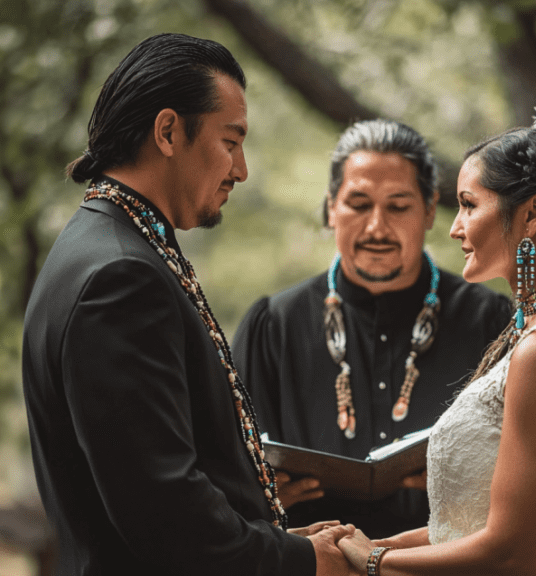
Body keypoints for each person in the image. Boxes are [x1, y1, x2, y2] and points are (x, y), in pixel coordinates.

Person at [21, 33, 357, 576]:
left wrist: (274, 533)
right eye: (231, 141)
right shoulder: (120, 278)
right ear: (169, 131)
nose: (241, 169)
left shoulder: (113, 246)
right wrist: (298, 561)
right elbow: (163, 514)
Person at [335, 54, 536, 576]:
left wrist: (372, 564)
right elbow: (471, 528)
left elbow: (512, 555)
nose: (455, 228)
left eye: (468, 204)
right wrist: (371, 543)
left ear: (532, 213)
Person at [232, 119, 512, 537]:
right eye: (359, 204)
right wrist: (260, 494)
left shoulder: (491, 322)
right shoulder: (273, 326)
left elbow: (524, 474)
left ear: (430, 209)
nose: (377, 227)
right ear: (331, 208)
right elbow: (225, 480)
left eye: (398, 206)